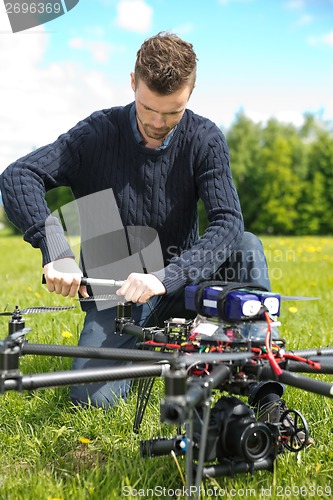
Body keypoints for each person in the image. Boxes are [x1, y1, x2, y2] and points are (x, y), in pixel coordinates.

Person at [0, 32, 284, 419]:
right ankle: (151, 353)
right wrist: (57, 250)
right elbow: (19, 176)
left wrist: (168, 276)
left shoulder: (205, 138)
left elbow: (228, 221)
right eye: (148, 107)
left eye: (173, 112)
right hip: (114, 296)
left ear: (190, 93)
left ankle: (265, 390)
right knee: (93, 401)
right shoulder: (96, 133)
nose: (157, 122)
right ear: (133, 82)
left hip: (180, 288)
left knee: (246, 244)